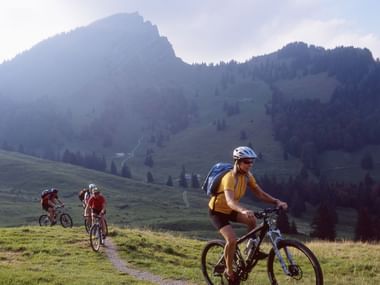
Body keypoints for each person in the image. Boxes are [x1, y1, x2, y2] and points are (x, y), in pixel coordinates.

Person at [208, 146, 288, 284]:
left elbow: (260, 194)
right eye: (246, 161)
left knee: (252, 221)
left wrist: (276, 201)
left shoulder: (247, 176)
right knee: (232, 240)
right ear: (237, 162)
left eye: (251, 162)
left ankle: (252, 249)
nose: (249, 165)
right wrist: (243, 210)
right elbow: (230, 201)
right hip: (218, 211)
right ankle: (229, 271)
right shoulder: (229, 178)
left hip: (232, 210)